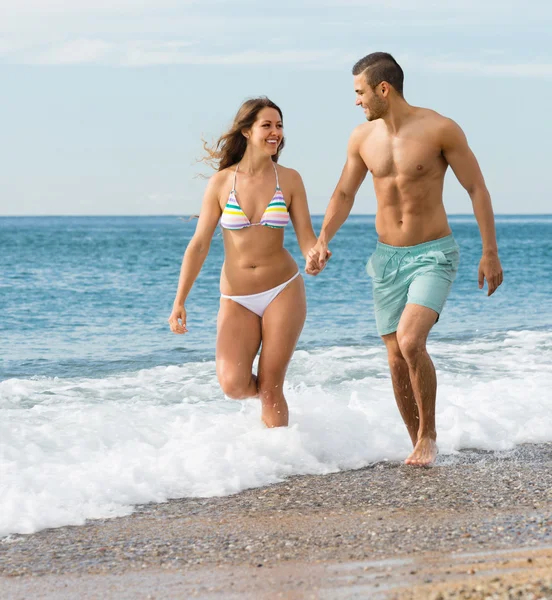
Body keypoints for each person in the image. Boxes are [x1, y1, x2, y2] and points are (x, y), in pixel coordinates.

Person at [306, 52, 504, 466]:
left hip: (433, 254)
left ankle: (429, 436)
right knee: (395, 356)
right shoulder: (362, 139)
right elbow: (344, 194)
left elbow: (477, 188)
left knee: (411, 341)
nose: (356, 101)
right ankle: (416, 442)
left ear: (384, 89)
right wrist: (323, 238)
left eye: (360, 92)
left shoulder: (440, 129)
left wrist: (490, 252)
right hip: (386, 259)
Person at [168, 97, 320, 428]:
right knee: (233, 385)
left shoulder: (289, 179)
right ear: (247, 131)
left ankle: (284, 461)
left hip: (283, 289)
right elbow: (199, 244)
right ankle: (273, 406)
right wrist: (180, 300)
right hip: (236, 297)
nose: (275, 132)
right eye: (267, 125)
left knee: (271, 385)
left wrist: (314, 255)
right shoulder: (222, 182)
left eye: (279, 126)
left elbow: (307, 237)